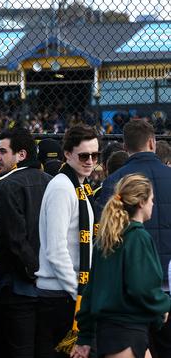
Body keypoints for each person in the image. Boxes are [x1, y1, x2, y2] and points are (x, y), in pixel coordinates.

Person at [72, 174, 171, 358]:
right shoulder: (138, 237)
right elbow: (142, 288)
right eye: (151, 200)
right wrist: (164, 305)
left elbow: (91, 290)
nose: (153, 204)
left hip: (114, 333)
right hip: (126, 332)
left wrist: (84, 336)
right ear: (141, 202)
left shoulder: (107, 238)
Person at [96, 120, 171, 358]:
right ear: (152, 142)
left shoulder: (114, 182)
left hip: (127, 295)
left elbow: (106, 237)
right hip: (166, 290)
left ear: (125, 147)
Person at [35, 125, 99, 357]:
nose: (90, 161)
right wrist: (78, 292)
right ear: (68, 154)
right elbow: (55, 249)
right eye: (84, 155)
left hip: (68, 292)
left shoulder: (80, 187)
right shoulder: (63, 187)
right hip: (61, 296)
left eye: (95, 155)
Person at [0, 127, 51, 358]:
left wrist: (33, 272)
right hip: (51, 288)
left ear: (21, 155)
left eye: (2, 152)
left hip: (18, 289)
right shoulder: (53, 182)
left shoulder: (6, 186)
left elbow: (15, 240)